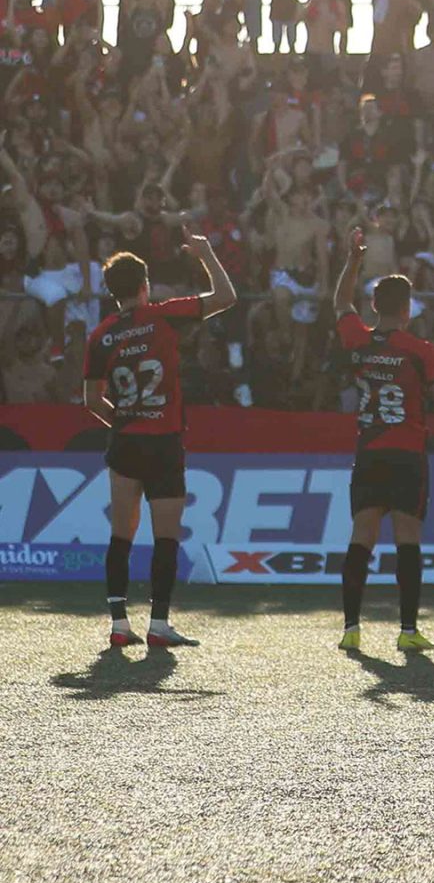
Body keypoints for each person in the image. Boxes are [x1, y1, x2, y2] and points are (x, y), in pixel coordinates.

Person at [330, 225, 434, 652]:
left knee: (361, 536)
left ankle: (351, 628)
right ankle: (408, 631)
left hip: (369, 452)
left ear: (374, 306)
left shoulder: (357, 338)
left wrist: (353, 260)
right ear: (408, 309)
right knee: (408, 540)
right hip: (408, 455)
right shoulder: (420, 350)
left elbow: (340, 302)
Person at [84, 235, 238, 649]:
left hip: (126, 443)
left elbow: (90, 399)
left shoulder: (100, 335)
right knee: (166, 535)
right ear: (144, 285)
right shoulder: (164, 316)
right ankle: (159, 623)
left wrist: (124, 420)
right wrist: (206, 252)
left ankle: (118, 623)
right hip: (165, 442)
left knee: (121, 534)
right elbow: (226, 296)